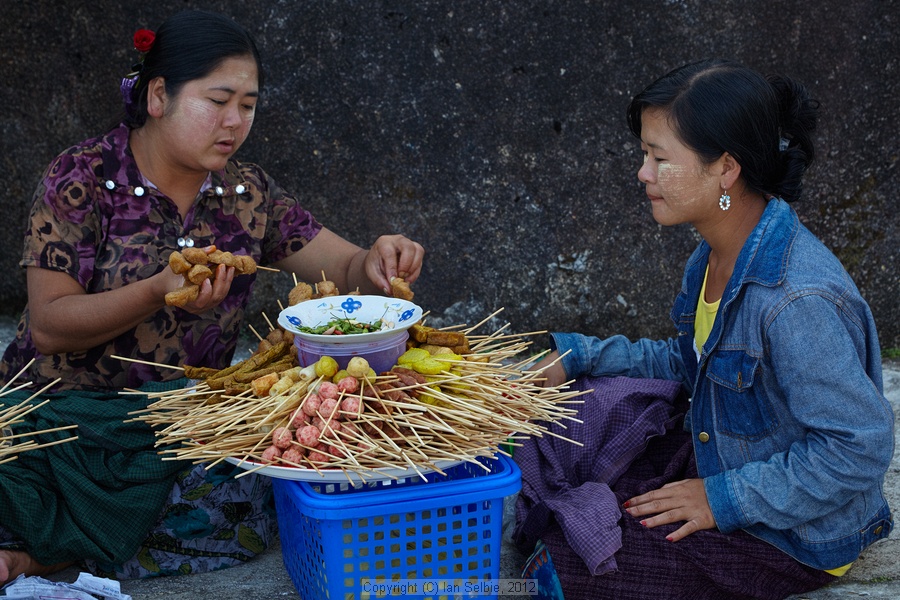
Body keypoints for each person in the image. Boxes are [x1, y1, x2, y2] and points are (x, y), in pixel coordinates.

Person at [0, 9, 424, 584]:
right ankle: (54, 547)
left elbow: (342, 267)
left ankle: (46, 556)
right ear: (158, 97)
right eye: (218, 100)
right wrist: (156, 292)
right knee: (23, 480)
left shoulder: (247, 193)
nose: (234, 122)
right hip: (59, 419)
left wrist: (375, 261)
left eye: (247, 105)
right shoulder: (81, 178)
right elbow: (49, 324)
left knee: (245, 501)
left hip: (172, 428)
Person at [514, 59, 894, 600]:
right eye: (644, 155)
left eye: (659, 158)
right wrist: (576, 358)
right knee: (549, 445)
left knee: (564, 569)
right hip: (722, 447)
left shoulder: (797, 301)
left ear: (725, 169)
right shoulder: (715, 253)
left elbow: (856, 449)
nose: (643, 173)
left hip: (789, 530)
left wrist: (721, 500)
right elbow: (691, 361)